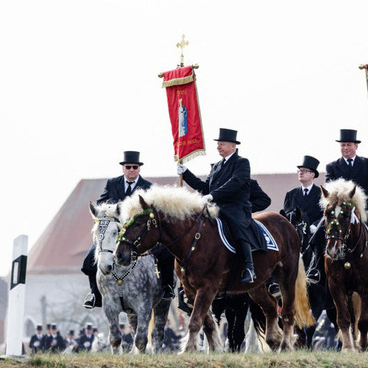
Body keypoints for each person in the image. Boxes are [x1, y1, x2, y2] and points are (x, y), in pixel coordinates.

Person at [82, 151, 175, 309]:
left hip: (138, 232)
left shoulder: (148, 187)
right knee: (90, 258)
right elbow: (101, 203)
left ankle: (167, 286)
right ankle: (94, 294)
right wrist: (112, 210)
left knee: (166, 252)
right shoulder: (112, 183)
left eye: (135, 167)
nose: (131, 170)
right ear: (123, 168)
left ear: (139, 168)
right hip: (114, 231)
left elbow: (153, 209)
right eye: (128, 167)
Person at [314, 129, 368, 291]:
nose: (345, 148)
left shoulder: (367, 163)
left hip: (364, 207)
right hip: (340, 208)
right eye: (343, 145)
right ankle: (316, 269)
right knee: (317, 233)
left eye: (348, 145)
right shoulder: (332, 166)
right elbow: (329, 186)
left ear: (356, 146)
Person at [179, 128, 263, 283]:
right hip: (215, 207)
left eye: (222, 144)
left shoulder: (242, 163)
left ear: (233, 146)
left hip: (235, 207)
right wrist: (186, 174)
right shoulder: (216, 166)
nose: (218, 147)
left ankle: (249, 267)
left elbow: (235, 182)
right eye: (218, 144)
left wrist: (213, 195)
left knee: (237, 225)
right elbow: (205, 187)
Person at [282, 155, 323, 232]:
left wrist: (315, 225)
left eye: (304, 171)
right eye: (300, 170)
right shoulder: (291, 194)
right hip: (295, 234)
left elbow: (325, 215)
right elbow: (285, 215)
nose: (301, 172)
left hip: (314, 234)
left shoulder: (321, 194)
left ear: (312, 174)